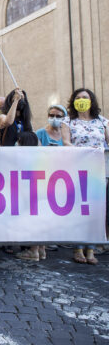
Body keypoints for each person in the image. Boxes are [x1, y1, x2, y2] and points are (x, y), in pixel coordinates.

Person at [64, 88, 109, 265]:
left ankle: (91, 249)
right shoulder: (68, 121)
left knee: (96, 209)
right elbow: (66, 142)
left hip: (98, 169)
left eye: (85, 97)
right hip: (78, 169)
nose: (81, 100)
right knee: (80, 208)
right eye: (78, 98)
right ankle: (78, 248)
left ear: (91, 101)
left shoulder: (103, 121)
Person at [12, 131, 50, 262]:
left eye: (18, 141)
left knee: (33, 220)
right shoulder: (41, 157)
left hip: (30, 193)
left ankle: (33, 251)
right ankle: (41, 250)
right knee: (40, 220)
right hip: (41, 193)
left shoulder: (23, 158)